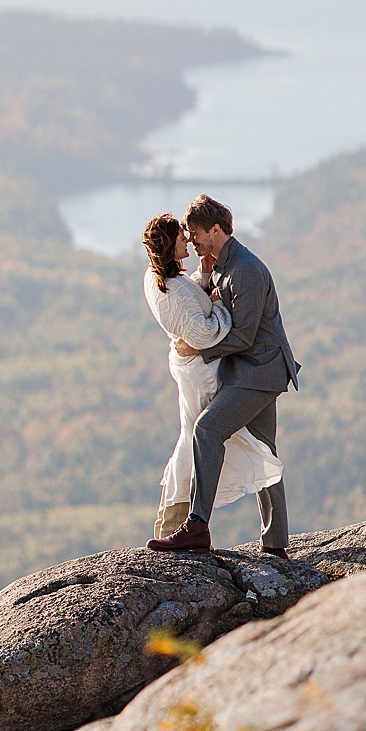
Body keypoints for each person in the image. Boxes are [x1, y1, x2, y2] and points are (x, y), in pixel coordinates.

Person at [148, 195, 301, 558]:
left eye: (197, 233)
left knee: (206, 430)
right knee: (264, 451)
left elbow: (244, 336)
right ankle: (275, 545)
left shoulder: (244, 269)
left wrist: (197, 349)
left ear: (216, 230)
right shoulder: (221, 263)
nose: (192, 238)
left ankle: (197, 527)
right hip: (251, 370)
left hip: (259, 372)